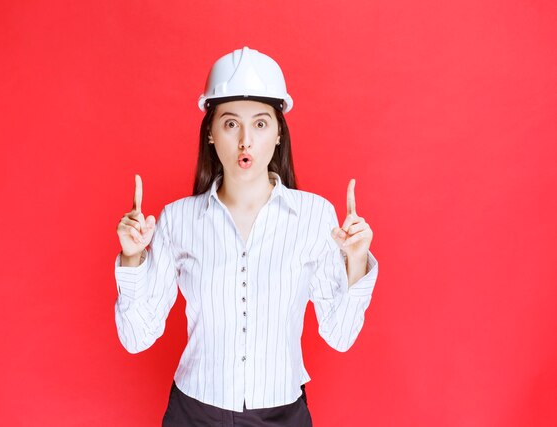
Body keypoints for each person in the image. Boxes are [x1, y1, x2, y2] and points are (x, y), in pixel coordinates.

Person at [114, 46, 379, 426]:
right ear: (210, 134)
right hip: (194, 413)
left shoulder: (315, 216)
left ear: (278, 135)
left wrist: (355, 261)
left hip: (283, 414)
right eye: (230, 123)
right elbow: (136, 337)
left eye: (259, 123)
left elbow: (339, 335)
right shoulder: (177, 220)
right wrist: (132, 258)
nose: (245, 141)